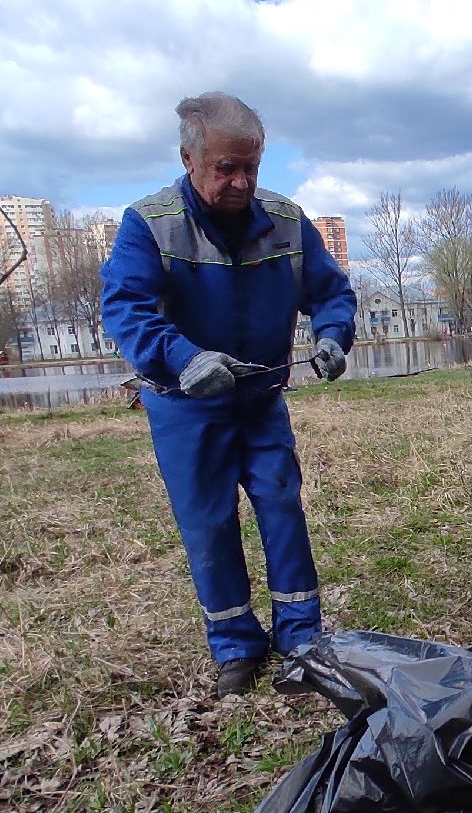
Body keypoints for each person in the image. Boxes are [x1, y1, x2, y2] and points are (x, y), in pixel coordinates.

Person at [101, 92, 355, 695]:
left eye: (251, 168)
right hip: (186, 407)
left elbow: (331, 291)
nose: (241, 182)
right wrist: (185, 359)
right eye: (226, 169)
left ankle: (302, 640)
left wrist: (332, 336)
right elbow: (128, 310)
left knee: (282, 507)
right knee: (209, 523)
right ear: (190, 159)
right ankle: (236, 645)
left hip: (262, 399)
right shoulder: (148, 224)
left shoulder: (288, 220)